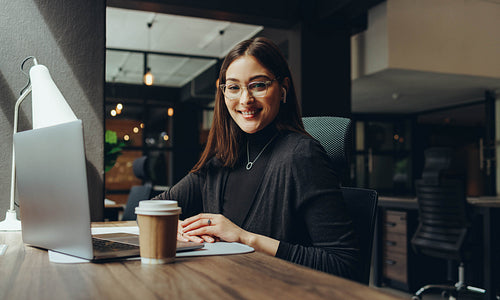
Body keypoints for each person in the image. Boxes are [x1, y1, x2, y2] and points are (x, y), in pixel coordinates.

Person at [152, 37, 359, 279]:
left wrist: (245, 238)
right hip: (224, 284)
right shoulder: (223, 158)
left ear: (283, 89)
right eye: (233, 87)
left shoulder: (303, 155)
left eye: (258, 85)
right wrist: (174, 228)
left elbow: (343, 263)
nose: (245, 100)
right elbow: (156, 206)